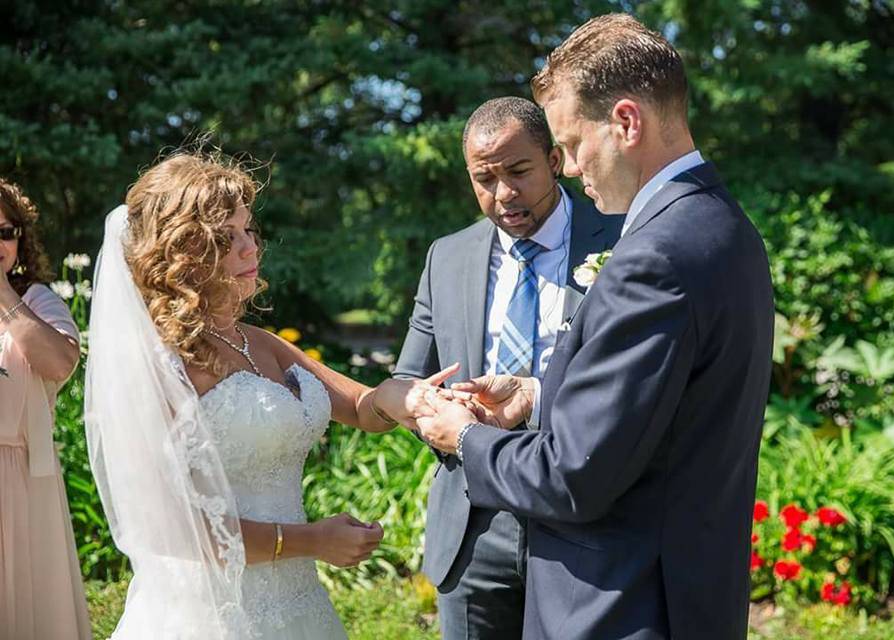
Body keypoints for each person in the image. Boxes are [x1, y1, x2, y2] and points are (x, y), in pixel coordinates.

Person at [415, 14, 775, 640]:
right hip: (689, 591)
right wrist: (536, 397)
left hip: (621, 606)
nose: (573, 168)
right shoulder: (725, 227)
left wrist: (464, 437)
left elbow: (572, 476)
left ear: (626, 123)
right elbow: (659, 410)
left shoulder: (653, 257)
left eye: (574, 143)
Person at [84, 151, 451, 639]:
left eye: (248, 231)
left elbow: (365, 408)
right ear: (179, 254)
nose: (249, 249)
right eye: (225, 238)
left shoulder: (261, 343)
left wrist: (408, 398)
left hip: (299, 606)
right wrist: (312, 540)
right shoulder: (158, 368)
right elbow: (170, 529)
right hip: (210, 614)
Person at [393, 96, 621, 638]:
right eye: (484, 179)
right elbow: (407, 381)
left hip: (580, 520)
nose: (504, 195)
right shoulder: (446, 257)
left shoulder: (620, 239)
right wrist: (443, 408)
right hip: (474, 528)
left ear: (554, 159)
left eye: (519, 172)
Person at [0, 178, 91, 639]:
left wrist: (3, 295)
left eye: (5, 232)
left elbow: (59, 363)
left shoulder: (37, 301)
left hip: (21, 477)